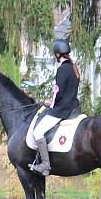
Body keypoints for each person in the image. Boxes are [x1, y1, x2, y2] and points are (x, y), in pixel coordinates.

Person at [29, 39, 81, 176]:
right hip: (73, 106)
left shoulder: (62, 70)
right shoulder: (73, 69)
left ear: (58, 54)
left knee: (38, 132)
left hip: (62, 109)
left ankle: (45, 165)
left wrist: (50, 103)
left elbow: (59, 93)